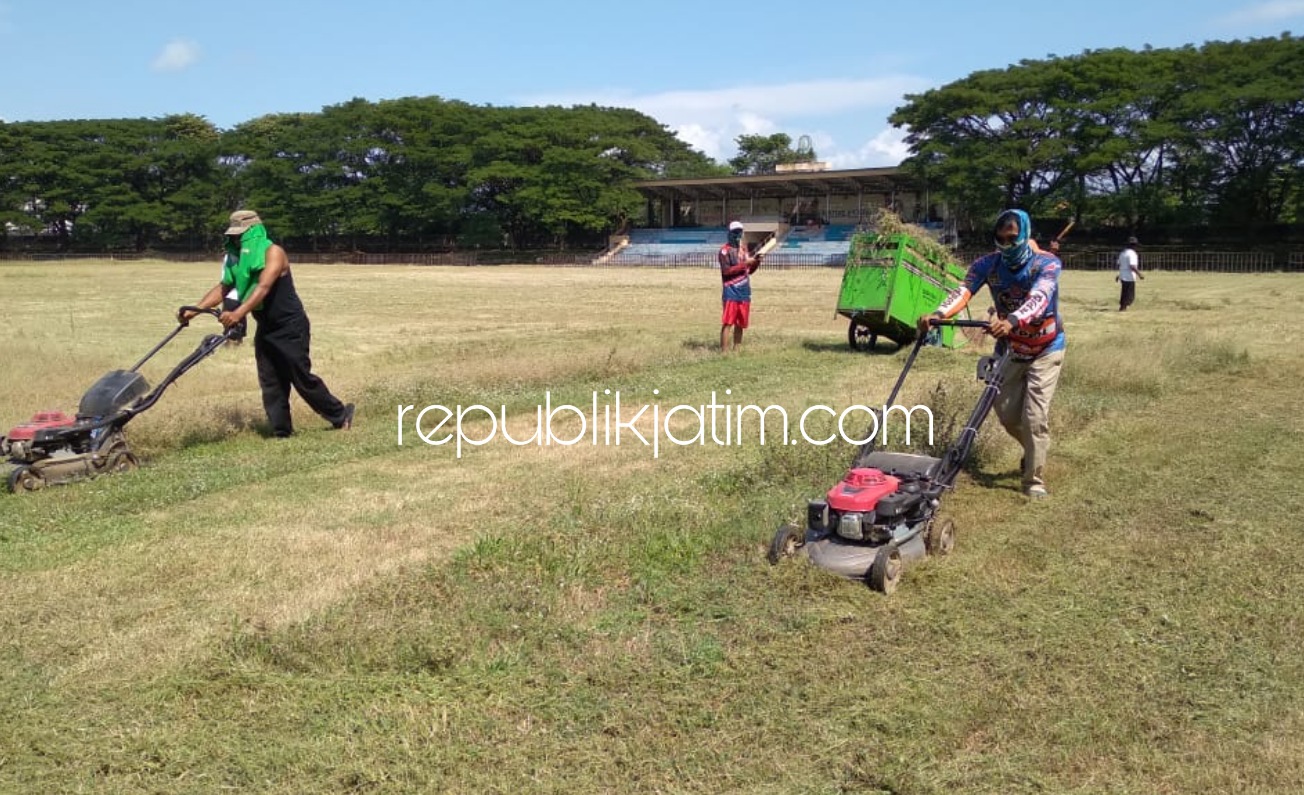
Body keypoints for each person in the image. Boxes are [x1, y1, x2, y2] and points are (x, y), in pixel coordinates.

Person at [917, 209, 1066, 499]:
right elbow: (963, 291)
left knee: (1034, 417)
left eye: (1011, 238)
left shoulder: (1047, 264)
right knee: (1008, 415)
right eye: (1000, 239)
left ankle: (1032, 480)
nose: (1006, 245)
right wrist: (937, 314)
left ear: (1024, 234)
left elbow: (1040, 297)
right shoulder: (987, 264)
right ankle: (1035, 448)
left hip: (1045, 348)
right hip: (1010, 349)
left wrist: (1010, 321)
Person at [180, 210, 354, 437]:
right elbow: (224, 287)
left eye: (240, 235)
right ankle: (281, 431)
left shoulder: (274, 252)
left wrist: (238, 313)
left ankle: (340, 415)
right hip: (266, 326)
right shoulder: (237, 259)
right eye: (233, 236)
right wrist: (195, 311)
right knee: (270, 380)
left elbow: (263, 287)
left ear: (253, 231)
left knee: (300, 377)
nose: (235, 239)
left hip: (290, 325)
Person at [719, 220, 762, 352]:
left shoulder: (743, 250)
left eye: (740, 232)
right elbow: (726, 271)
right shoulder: (724, 251)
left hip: (744, 291)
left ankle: (737, 349)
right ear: (730, 233)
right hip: (730, 290)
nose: (738, 235)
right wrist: (746, 264)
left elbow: (748, 271)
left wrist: (756, 262)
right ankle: (724, 351)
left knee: (740, 323)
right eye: (735, 232)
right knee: (728, 322)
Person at [1116, 236, 1143, 311]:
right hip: (1129, 276)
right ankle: (1123, 307)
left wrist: (1118, 274)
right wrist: (1139, 274)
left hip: (1123, 275)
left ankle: (1122, 306)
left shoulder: (1122, 253)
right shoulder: (1132, 254)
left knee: (1124, 292)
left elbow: (1119, 264)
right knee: (1129, 294)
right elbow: (1132, 266)